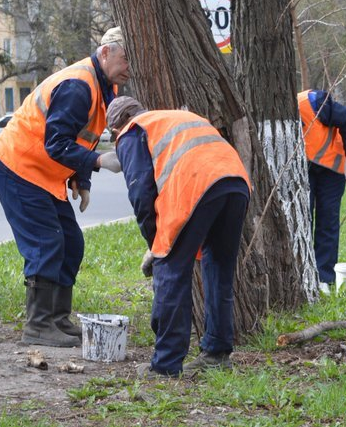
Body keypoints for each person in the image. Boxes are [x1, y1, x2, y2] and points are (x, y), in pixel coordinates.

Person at [0, 28, 129, 348]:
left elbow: (83, 134)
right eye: (125, 57)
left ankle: (57, 318)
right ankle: (37, 325)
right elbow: (57, 143)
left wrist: (82, 179)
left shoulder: (107, 84)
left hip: (42, 173)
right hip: (18, 167)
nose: (129, 65)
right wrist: (97, 162)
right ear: (105, 53)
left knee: (71, 242)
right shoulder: (79, 85)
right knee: (46, 241)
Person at [106, 96, 251, 378]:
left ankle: (166, 365)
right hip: (236, 182)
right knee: (218, 268)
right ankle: (217, 353)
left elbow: (140, 192)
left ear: (115, 129)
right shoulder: (175, 118)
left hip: (195, 184)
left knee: (170, 272)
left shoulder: (132, 131)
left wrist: (156, 247)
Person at [297, 89, 346, 290]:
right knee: (302, 219)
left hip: (332, 170)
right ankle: (305, 274)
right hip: (304, 168)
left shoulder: (314, 103)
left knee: (327, 221)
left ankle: (324, 277)